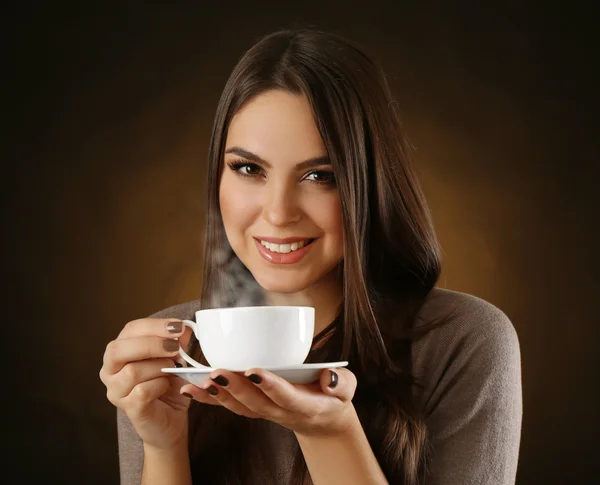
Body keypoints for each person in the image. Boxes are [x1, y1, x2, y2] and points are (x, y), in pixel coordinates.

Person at [99, 28, 522, 485]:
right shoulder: (170, 360)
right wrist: (163, 446)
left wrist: (330, 431)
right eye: (248, 169)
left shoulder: (462, 342)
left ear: (371, 186)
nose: (278, 213)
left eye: (321, 176)